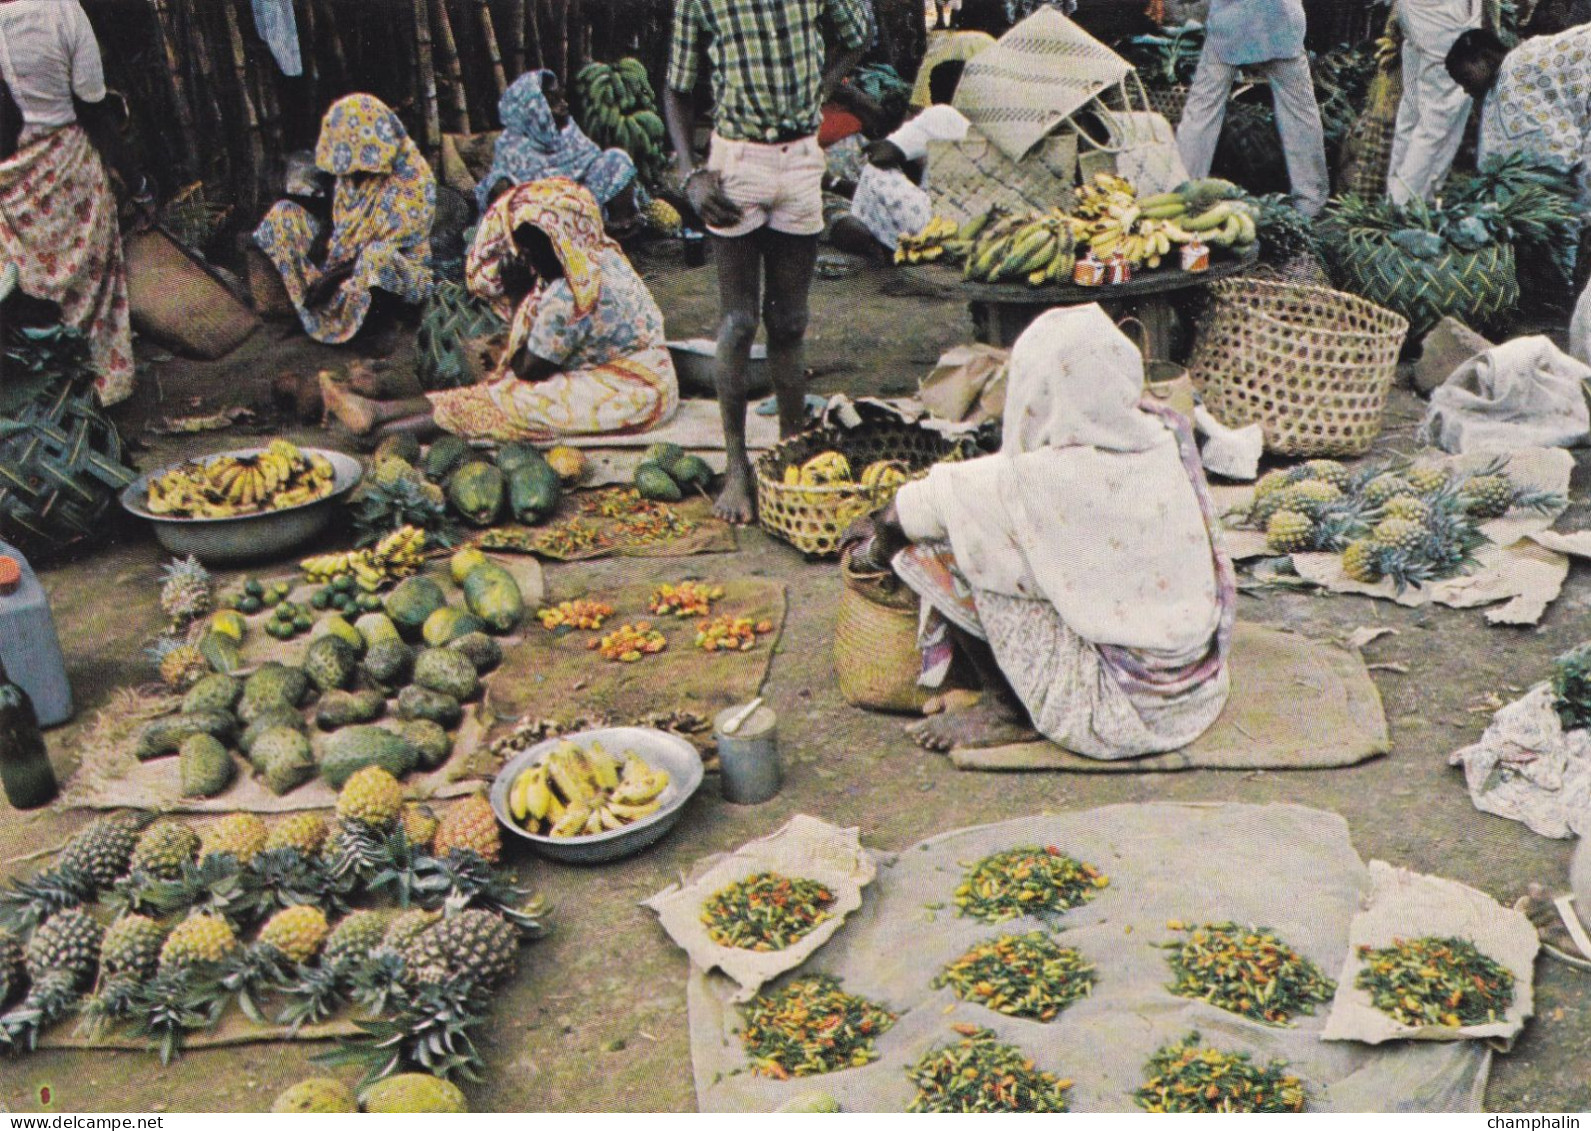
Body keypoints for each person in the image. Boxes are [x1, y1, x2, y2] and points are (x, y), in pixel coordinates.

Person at [844, 304, 1234, 758]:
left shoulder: (1030, 480)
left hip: (1112, 712)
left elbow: (900, 516)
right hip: (1194, 691)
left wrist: (873, 548)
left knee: (936, 542)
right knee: (992, 524)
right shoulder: (1166, 434)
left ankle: (1006, 710)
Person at [662, 0, 872, 524]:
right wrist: (691, 173)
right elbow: (677, 88)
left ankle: (790, 454)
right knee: (737, 322)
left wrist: (818, 90)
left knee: (790, 320)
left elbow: (857, 34)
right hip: (737, 163)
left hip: (800, 160)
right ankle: (738, 467)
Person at [321, 178, 678, 443]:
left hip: (636, 396)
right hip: (651, 373)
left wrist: (522, 295)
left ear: (561, 244)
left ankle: (384, 431)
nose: (526, 260)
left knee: (513, 398)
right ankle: (379, 414)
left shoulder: (567, 298)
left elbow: (529, 371)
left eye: (532, 252)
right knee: (502, 389)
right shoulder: (604, 255)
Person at [0, 0, 147, 406]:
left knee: (27, 296)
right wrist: (134, 179)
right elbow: (92, 104)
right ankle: (102, 393)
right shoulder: (61, 10)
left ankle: (49, 401)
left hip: (8, 190)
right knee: (95, 294)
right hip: (70, 175)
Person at [253, 93, 436, 349]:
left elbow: (389, 244)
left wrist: (330, 279)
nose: (352, 171)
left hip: (397, 270)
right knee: (282, 216)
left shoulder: (413, 178)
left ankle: (377, 325)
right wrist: (326, 262)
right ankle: (318, 313)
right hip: (343, 267)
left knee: (375, 255)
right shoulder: (349, 177)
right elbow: (341, 229)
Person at [1175, 0, 1330, 217]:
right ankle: (1311, 200)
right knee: (1300, 112)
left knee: (1202, 110)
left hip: (1231, 24)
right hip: (1281, 21)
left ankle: (1183, 192)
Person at [831, 59, 970, 257]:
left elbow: (881, 155)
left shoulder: (940, 114)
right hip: (973, 216)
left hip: (938, 219)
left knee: (875, 169)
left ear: (934, 91)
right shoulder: (983, 119)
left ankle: (887, 242)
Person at [476, 70, 641, 234]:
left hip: (583, 202)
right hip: (546, 215)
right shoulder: (513, 145)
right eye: (554, 103)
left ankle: (618, 225)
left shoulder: (568, 131)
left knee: (617, 159)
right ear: (535, 110)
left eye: (561, 99)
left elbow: (594, 162)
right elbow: (506, 192)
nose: (565, 105)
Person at [1448, 23, 1591, 202]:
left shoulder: (1513, 78)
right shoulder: (1519, 60)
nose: (1466, 90)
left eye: (1466, 78)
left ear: (1486, 58)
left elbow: (1550, 149)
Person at [1387, 0, 1483, 204]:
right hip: (1443, 15)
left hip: (1416, 10)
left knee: (1414, 107)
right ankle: (1402, 205)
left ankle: (1396, 194)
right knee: (1439, 116)